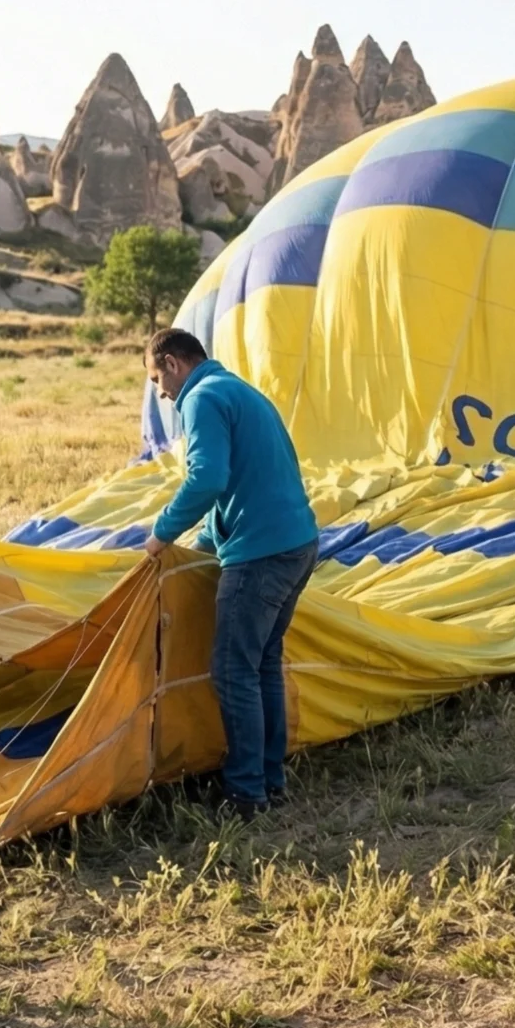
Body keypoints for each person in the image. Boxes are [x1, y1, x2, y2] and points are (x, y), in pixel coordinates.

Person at [140, 327, 320, 820]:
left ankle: (245, 796)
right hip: (298, 543)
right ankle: (270, 782)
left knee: (232, 670)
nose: (160, 393)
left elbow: (208, 478)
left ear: (174, 363)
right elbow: (244, 484)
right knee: (262, 664)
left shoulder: (200, 399)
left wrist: (161, 535)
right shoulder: (240, 391)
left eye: (158, 380)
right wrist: (201, 548)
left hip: (260, 554)